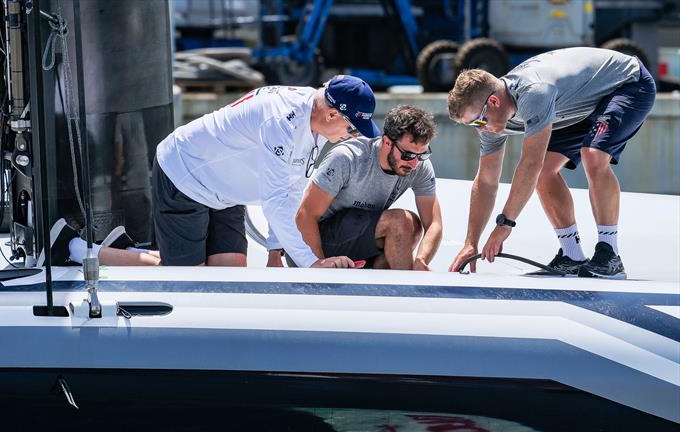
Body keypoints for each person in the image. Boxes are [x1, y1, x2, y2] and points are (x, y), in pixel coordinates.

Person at [446, 47, 655, 279]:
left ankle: (610, 254)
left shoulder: (535, 93)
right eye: (473, 125)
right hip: (580, 101)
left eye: (478, 121)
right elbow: (486, 180)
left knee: (593, 154)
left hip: (627, 83)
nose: (480, 129)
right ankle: (572, 255)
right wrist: (470, 242)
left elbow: (529, 163)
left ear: (494, 101)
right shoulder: (491, 120)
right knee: (546, 172)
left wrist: (504, 225)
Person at [153, 75, 381, 269]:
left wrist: (275, 250)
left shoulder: (317, 118)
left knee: (228, 276)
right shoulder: (282, 121)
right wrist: (312, 264)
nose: (354, 136)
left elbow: (292, 186)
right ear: (332, 115)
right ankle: (126, 257)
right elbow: (275, 198)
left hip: (225, 189)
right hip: (185, 175)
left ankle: (165, 255)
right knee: (190, 282)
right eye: (352, 128)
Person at [295, 105, 443, 270]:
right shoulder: (347, 158)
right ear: (387, 141)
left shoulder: (419, 165)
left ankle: (396, 285)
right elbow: (305, 215)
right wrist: (318, 264)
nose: (414, 164)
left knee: (412, 229)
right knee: (402, 222)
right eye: (408, 155)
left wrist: (421, 260)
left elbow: (434, 223)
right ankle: (409, 291)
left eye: (422, 154)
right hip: (316, 243)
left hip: (356, 241)